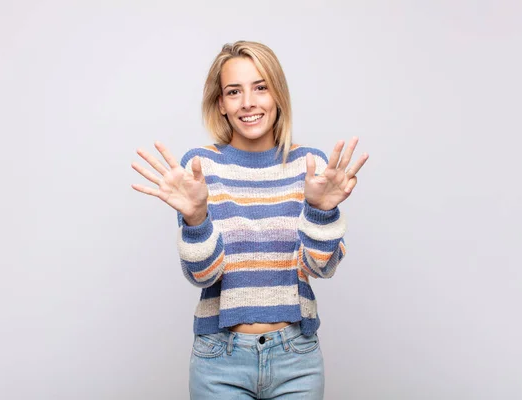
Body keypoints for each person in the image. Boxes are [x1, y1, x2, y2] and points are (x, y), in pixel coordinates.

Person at [131, 40, 369, 399]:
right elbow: (203, 276)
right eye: (233, 92)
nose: (248, 102)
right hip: (219, 359)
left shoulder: (311, 167)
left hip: (296, 359)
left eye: (261, 87)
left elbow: (321, 269)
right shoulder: (202, 166)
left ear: (278, 96)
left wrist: (323, 212)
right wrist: (195, 218)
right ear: (221, 105)